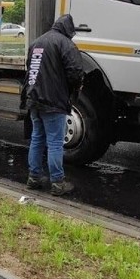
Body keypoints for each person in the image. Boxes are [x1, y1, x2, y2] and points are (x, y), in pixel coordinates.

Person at [21, 14, 84, 196]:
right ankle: (57, 182)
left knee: (37, 138)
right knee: (55, 142)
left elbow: (30, 70)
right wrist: (75, 89)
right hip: (53, 101)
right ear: (69, 29)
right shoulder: (65, 44)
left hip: (34, 98)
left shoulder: (37, 42)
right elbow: (75, 72)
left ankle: (34, 178)